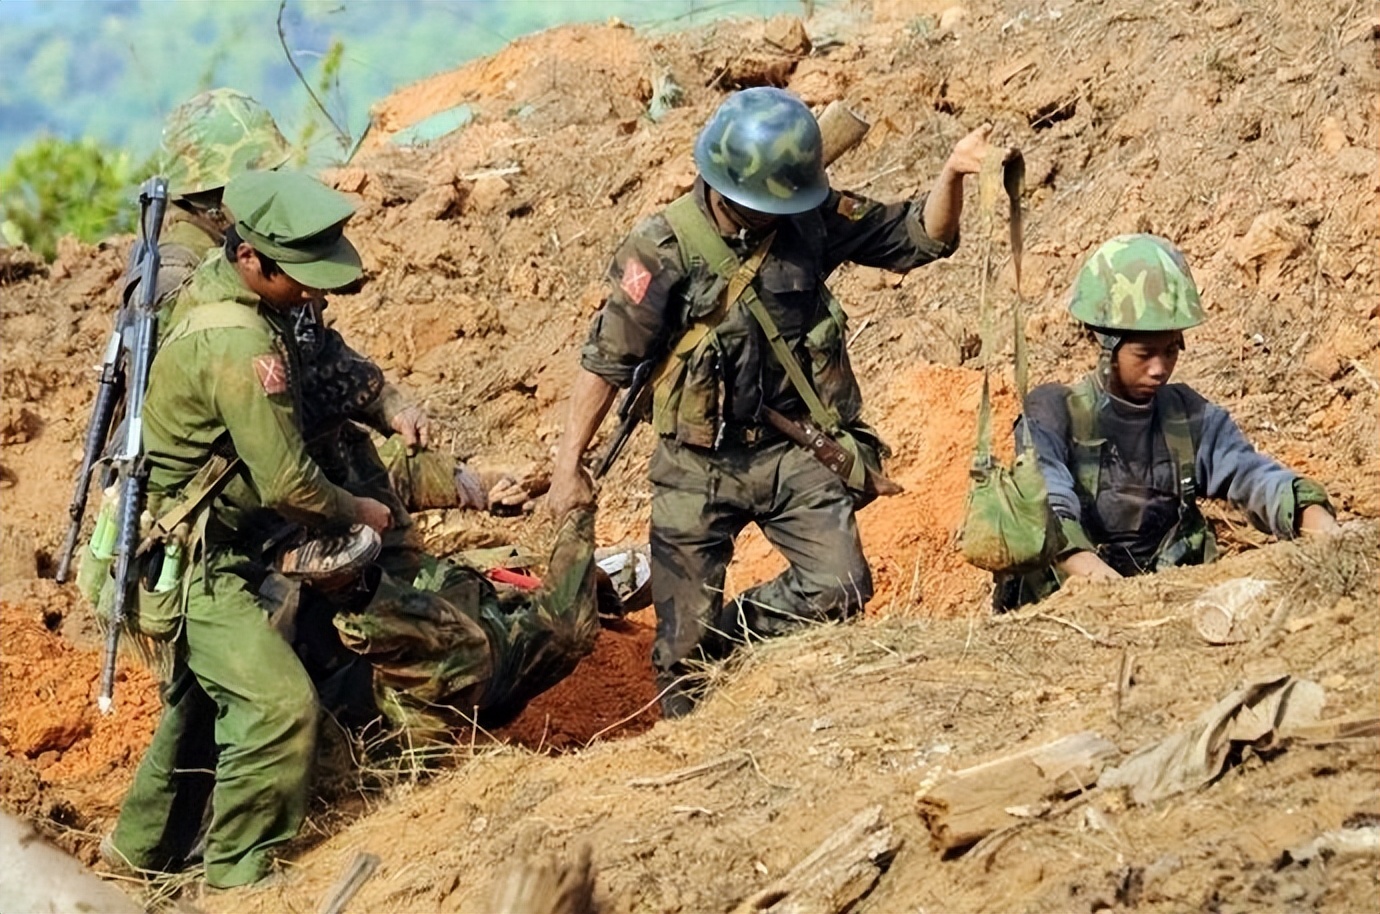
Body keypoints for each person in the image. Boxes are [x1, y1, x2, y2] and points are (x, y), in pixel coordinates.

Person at [103, 171, 600, 889]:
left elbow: (337, 421)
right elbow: (293, 485)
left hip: (220, 545)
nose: (314, 294)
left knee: (199, 705)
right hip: (198, 563)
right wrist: (360, 513)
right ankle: (237, 884)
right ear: (251, 259)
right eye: (299, 277)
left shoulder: (249, 305)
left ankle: (133, 860)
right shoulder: (242, 347)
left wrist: (454, 479)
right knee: (276, 707)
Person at [547, 87, 992, 717]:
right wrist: (569, 466)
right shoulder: (660, 248)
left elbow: (920, 237)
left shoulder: (808, 217)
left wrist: (952, 173)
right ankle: (694, 711)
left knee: (838, 589)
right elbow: (606, 364)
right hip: (695, 466)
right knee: (680, 660)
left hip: (795, 451)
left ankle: (732, 642)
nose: (770, 215)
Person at [995, 233, 1340, 609]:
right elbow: (1047, 504)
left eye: (1171, 350)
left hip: (1171, 605)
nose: (1160, 369)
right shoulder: (1053, 413)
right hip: (1073, 612)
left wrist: (1313, 517)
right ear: (1107, 345)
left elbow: (1252, 475)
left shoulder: (1188, 417)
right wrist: (1109, 590)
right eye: (1144, 353)